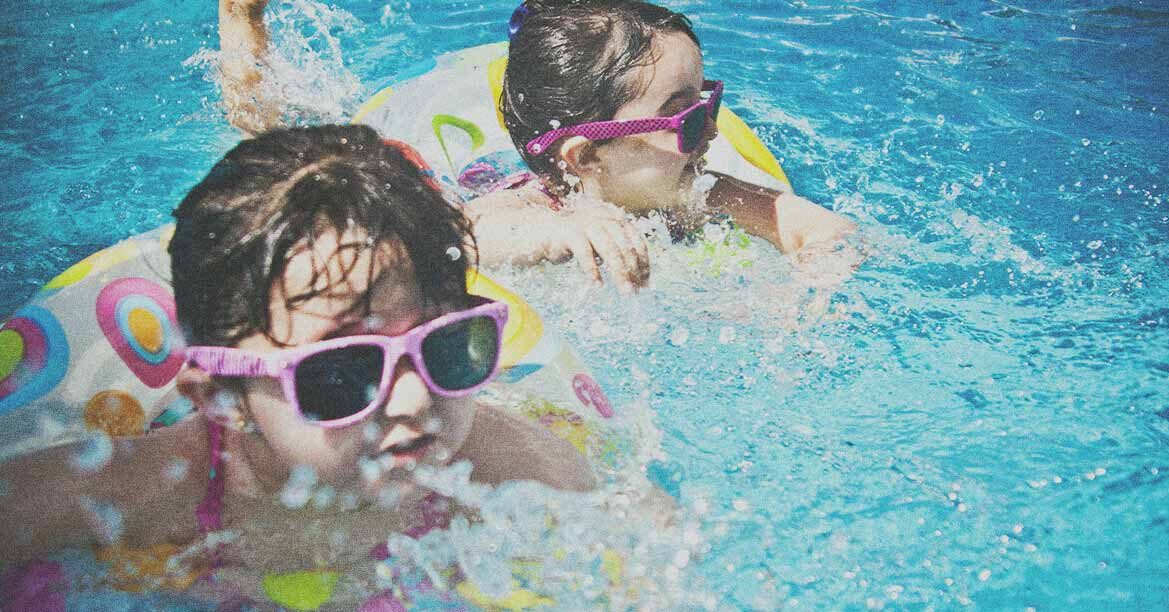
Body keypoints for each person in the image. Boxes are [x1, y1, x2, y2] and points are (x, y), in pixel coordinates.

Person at [0, 125, 595, 606]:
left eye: (446, 346)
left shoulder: (504, 466)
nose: (414, 401)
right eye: (341, 373)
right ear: (219, 399)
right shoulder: (144, 492)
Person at [216, 0, 860, 293]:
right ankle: (243, 22)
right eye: (684, 120)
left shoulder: (703, 191)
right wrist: (560, 234)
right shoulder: (533, 208)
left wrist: (810, 296)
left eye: (708, 104)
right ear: (584, 158)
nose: (710, 133)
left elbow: (823, 230)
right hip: (466, 176)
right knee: (279, 146)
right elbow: (443, 244)